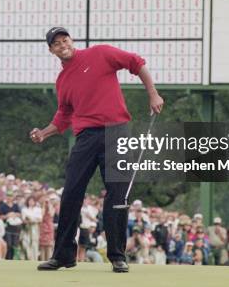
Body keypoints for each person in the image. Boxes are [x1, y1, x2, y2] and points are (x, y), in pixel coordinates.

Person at [31, 27, 164, 273]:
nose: (62, 45)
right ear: (51, 50)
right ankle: (63, 256)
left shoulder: (100, 53)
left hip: (117, 131)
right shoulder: (62, 80)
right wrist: (44, 133)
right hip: (85, 138)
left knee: (117, 194)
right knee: (70, 192)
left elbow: (136, 63)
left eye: (65, 39)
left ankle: (117, 256)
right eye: (56, 44)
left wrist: (153, 94)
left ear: (72, 40)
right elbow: (64, 115)